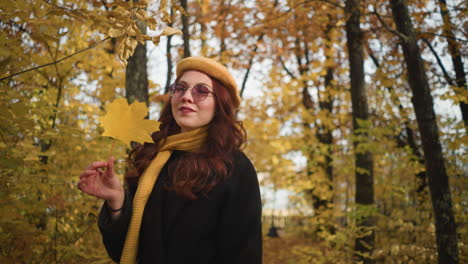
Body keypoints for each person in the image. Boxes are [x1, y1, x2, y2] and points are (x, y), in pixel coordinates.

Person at [77, 56, 262, 264]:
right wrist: (116, 202)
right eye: (180, 88)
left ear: (219, 105)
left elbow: (244, 255)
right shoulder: (152, 158)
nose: (186, 97)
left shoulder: (235, 168)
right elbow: (124, 252)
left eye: (201, 91)